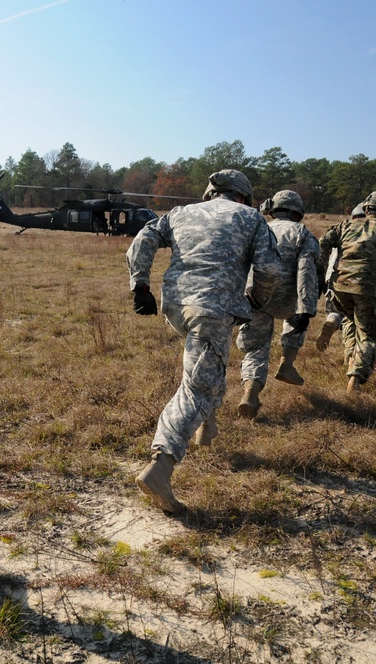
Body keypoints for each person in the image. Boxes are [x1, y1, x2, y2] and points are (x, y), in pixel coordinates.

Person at [126, 169, 280, 514]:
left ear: (211, 192)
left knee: (208, 370)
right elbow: (269, 270)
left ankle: (206, 429)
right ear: (243, 196)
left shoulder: (180, 212)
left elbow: (143, 240)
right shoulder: (251, 218)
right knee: (196, 386)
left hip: (177, 305)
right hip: (212, 308)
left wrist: (140, 285)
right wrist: (257, 300)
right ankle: (160, 465)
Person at [318, 191, 376, 393]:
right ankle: (356, 376)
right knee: (370, 332)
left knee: (350, 320)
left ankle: (351, 356)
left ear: (366, 208)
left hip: (340, 287)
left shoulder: (345, 226)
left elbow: (323, 242)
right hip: (368, 289)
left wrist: (322, 271)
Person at [236, 190, 321, 418]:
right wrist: (306, 307)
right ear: (297, 211)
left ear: (272, 210)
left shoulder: (259, 228)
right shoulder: (302, 233)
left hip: (255, 298)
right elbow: (306, 271)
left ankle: (250, 393)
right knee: (295, 323)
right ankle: (286, 364)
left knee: (256, 348)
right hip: (288, 300)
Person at [315, 204, 364, 352]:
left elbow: (324, 247)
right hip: (361, 283)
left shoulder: (341, 229)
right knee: (354, 319)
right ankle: (351, 352)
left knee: (335, 311)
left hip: (335, 279)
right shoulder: (375, 233)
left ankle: (331, 321)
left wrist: (321, 274)